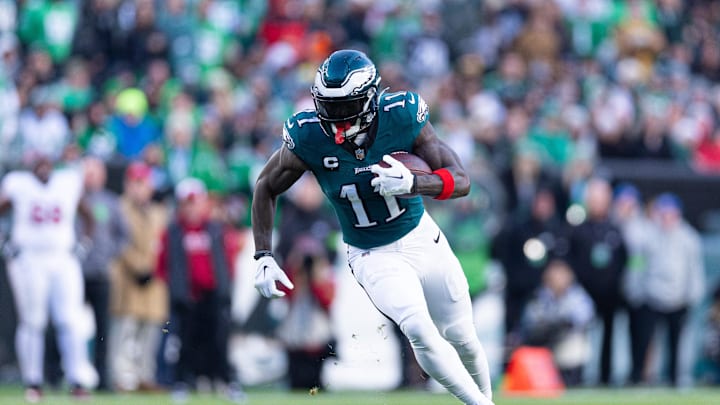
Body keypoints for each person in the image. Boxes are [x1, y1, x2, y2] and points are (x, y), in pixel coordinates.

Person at [251, 49, 494, 405]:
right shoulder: (308, 135)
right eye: (326, 105)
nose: (332, 117)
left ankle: (486, 399)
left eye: (342, 106)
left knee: (462, 336)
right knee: (418, 329)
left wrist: (414, 184)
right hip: (371, 254)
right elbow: (265, 186)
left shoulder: (402, 116)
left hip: (421, 238)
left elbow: (461, 181)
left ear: (368, 98)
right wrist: (263, 254)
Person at [0, 155, 97, 402]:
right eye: (38, 162)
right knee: (33, 321)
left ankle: (78, 380)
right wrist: (5, 244)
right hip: (29, 260)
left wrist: (84, 245)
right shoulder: (18, 184)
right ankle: (33, 381)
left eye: (46, 162)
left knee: (70, 319)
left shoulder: (68, 182)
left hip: (63, 258)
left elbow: (88, 215)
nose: (43, 167)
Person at [156, 178, 245, 403]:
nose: (192, 208)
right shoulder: (174, 231)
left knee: (219, 341)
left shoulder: (215, 229)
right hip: (186, 297)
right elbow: (163, 263)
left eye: (195, 202)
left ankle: (225, 381)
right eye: (187, 203)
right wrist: (175, 290)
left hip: (213, 295)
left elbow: (228, 260)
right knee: (183, 343)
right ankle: (181, 383)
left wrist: (225, 289)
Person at [634, 193, 705, 386]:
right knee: (644, 341)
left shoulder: (689, 238)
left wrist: (693, 293)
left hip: (679, 298)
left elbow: (694, 268)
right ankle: (639, 377)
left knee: (676, 342)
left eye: (670, 213)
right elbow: (638, 266)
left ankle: (675, 378)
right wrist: (636, 289)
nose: (666, 218)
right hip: (651, 296)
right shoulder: (647, 237)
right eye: (663, 213)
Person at [109, 161, 168, 392]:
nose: (139, 188)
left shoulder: (159, 211)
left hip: (154, 281)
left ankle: (145, 376)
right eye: (135, 183)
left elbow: (162, 244)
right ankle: (121, 378)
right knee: (125, 330)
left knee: (150, 333)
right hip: (127, 279)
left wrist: (153, 268)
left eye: (143, 183)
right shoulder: (119, 208)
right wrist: (139, 266)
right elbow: (119, 243)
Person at [568, 177, 628, 385]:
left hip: (609, 293)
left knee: (608, 336)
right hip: (585, 293)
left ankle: (605, 376)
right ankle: (578, 375)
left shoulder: (615, 229)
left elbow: (623, 260)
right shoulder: (579, 230)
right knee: (579, 336)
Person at [79, 157, 129, 392]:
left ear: (102, 176)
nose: (90, 177)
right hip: (74, 272)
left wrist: (109, 254)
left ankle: (102, 377)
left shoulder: (110, 202)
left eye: (94, 172)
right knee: (69, 326)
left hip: (100, 272)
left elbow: (123, 235)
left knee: (102, 329)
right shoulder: (73, 199)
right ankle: (63, 374)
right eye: (86, 172)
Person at [521, 259, 595, 386]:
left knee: (576, 342)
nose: (558, 279)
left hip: (566, 341)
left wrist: (563, 322)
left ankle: (572, 380)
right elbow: (530, 319)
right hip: (545, 343)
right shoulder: (540, 295)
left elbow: (585, 317)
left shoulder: (576, 295)